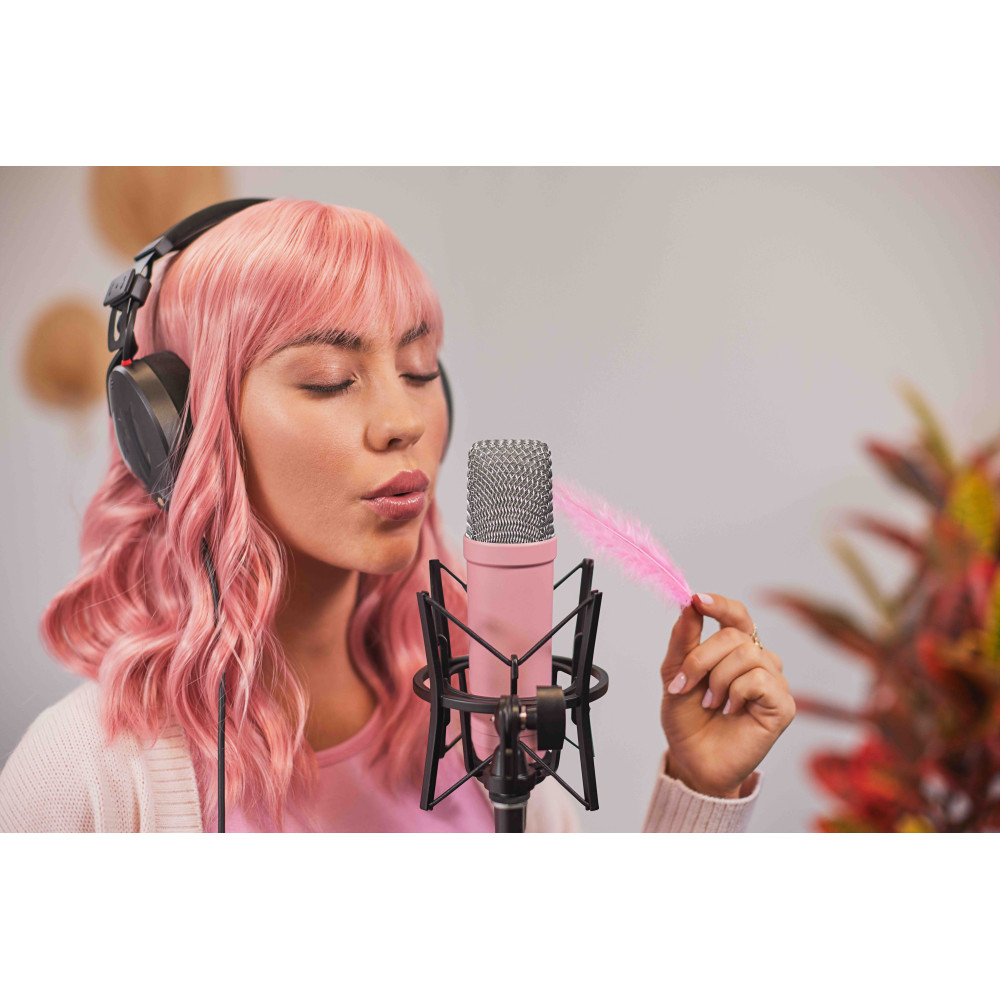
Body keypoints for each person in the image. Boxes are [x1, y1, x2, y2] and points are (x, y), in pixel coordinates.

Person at [0, 198, 795, 833]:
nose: (403, 421)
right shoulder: (83, 776)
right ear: (176, 430)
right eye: (329, 378)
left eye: (417, 371)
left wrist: (700, 789)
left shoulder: (490, 727)